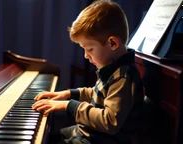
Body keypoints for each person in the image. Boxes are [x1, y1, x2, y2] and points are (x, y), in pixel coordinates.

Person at [32, 0, 144, 143]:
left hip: (99, 140)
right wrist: (69, 94)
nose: (86, 55)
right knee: (49, 135)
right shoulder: (112, 68)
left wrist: (69, 105)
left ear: (113, 43)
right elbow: (98, 93)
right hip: (88, 133)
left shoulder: (123, 76)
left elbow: (110, 121)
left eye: (89, 49)